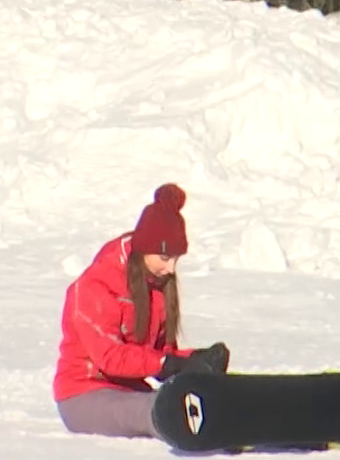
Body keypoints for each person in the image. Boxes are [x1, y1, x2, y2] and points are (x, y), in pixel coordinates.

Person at [53, 184, 230, 439]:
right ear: (145, 249)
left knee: (175, 397)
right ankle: (182, 425)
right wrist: (169, 365)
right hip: (83, 393)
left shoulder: (156, 286)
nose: (170, 269)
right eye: (165, 258)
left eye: (176, 260)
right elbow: (111, 357)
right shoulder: (95, 286)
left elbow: (157, 356)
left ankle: (234, 416)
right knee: (148, 409)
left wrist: (194, 360)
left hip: (129, 391)